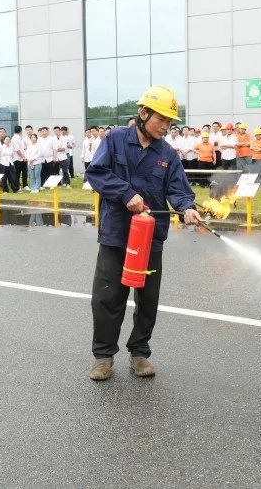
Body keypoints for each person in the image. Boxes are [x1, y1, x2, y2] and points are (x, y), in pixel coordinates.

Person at [86, 85, 200, 381]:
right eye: (160, 119)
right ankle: (103, 356)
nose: (165, 126)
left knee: (148, 299)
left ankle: (139, 353)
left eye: (169, 121)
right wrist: (126, 194)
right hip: (116, 233)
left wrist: (187, 207)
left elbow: (178, 190)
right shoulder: (115, 140)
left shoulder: (168, 154)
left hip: (150, 237)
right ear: (143, 113)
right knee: (108, 297)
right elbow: (96, 173)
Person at [12, 125, 28, 190]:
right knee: (17, 174)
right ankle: (17, 187)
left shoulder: (19, 137)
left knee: (24, 172)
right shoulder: (15, 138)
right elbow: (17, 150)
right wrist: (23, 157)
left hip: (22, 159)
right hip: (17, 159)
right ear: (21, 131)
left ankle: (25, 185)